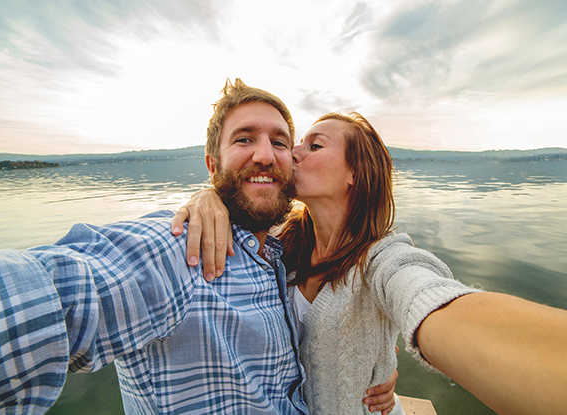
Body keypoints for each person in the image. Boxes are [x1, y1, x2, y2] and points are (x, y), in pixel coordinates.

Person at [0, 79, 396, 414]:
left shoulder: (284, 253)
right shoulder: (180, 250)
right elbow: (59, 292)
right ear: (213, 166)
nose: (266, 155)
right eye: (244, 139)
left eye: (280, 142)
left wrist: (379, 364)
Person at [173, 112, 567, 415]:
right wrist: (208, 197)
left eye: (314, 146)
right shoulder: (280, 244)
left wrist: (434, 326)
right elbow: (239, 197)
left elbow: (422, 292)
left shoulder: (381, 259)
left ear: (353, 174)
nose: (290, 153)